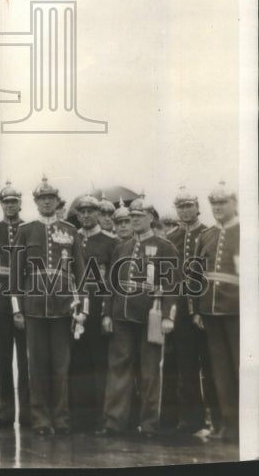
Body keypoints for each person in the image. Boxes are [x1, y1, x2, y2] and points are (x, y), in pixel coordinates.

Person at [98, 197, 178, 439]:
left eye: (139, 216)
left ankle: (149, 424)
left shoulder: (165, 247)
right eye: (131, 217)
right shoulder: (121, 247)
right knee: (118, 371)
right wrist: (107, 313)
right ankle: (114, 423)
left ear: (151, 218)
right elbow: (111, 285)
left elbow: (172, 285)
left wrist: (167, 316)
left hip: (150, 317)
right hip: (121, 316)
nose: (133, 220)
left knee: (150, 372)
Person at [12, 177, 84, 437]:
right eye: (42, 199)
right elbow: (15, 275)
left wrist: (81, 308)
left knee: (60, 366)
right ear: (36, 202)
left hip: (63, 308)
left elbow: (81, 272)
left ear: (57, 201)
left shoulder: (70, 231)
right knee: (37, 366)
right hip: (33, 307)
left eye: (50, 198)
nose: (46, 202)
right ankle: (41, 419)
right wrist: (16, 309)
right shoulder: (26, 230)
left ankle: (61, 418)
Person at [167, 186, 220, 438]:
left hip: (204, 310)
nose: (185, 210)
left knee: (210, 366)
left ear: (197, 208)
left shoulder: (209, 234)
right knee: (185, 366)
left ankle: (219, 421)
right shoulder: (171, 237)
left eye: (189, 206)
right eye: (181, 206)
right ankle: (191, 420)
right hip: (180, 312)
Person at [192, 182, 239, 443]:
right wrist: (197, 309)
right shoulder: (207, 236)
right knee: (220, 371)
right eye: (214, 204)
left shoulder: (246, 231)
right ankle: (228, 425)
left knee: (241, 368)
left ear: (234, 203)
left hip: (237, 312)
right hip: (210, 311)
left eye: (223, 202)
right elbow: (197, 276)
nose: (218, 208)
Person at [69, 195, 117, 432]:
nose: (86, 215)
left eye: (91, 211)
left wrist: (107, 312)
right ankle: (79, 416)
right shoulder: (72, 238)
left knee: (100, 364)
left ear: (99, 213)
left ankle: (101, 416)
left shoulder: (110, 241)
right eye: (82, 211)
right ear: (77, 215)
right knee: (77, 362)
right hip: (75, 307)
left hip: (98, 307)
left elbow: (112, 282)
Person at [0, 181, 30, 429]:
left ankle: (26, 412)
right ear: (1, 205)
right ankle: (5, 410)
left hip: (24, 300)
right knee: (2, 360)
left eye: (14, 201)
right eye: (6, 202)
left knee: (25, 361)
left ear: (20, 203)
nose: (10, 206)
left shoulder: (29, 228)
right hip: (1, 302)